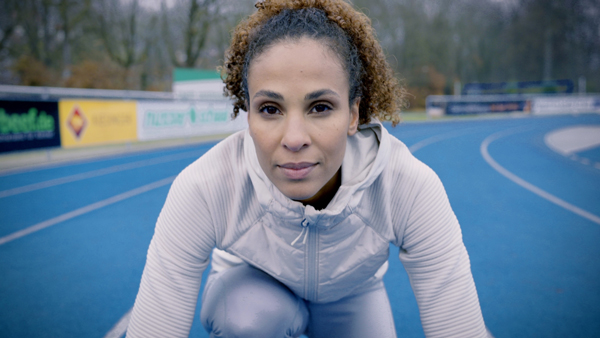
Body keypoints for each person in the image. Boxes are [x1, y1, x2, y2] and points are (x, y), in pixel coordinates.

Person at [127, 0, 491, 337]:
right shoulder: (205, 187)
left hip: (351, 295)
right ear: (247, 113)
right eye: (271, 109)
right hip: (252, 291)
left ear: (353, 114)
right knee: (248, 320)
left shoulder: (409, 187)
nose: (295, 138)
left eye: (320, 107)